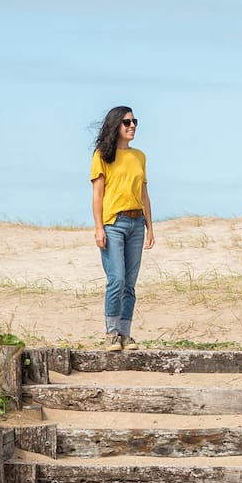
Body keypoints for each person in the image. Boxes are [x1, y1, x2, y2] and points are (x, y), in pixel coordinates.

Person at [91, 105, 154, 351]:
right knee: (116, 279)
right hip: (113, 224)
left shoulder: (140, 156)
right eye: (126, 122)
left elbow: (144, 193)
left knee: (129, 282)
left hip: (137, 222)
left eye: (134, 121)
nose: (132, 126)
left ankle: (125, 334)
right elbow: (97, 195)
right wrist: (99, 228)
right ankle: (111, 333)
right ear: (116, 125)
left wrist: (150, 227)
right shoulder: (102, 155)